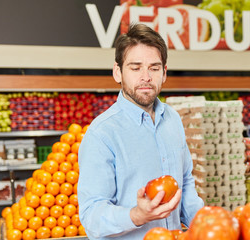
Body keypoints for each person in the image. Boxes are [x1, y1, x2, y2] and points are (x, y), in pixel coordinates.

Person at [77, 23, 204, 240]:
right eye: (135, 68)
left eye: (154, 68)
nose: (146, 77)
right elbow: (91, 216)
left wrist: (205, 225)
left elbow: (185, 183)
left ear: (164, 73)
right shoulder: (102, 133)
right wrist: (136, 215)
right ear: (118, 72)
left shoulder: (172, 119)